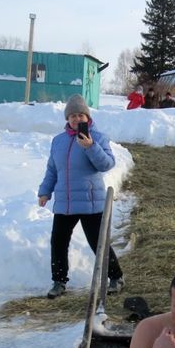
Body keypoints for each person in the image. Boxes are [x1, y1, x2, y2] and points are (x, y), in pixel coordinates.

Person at [38, 94, 125, 299]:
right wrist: (45, 191)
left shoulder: (98, 137)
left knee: (98, 243)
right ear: (67, 119)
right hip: (64, 203)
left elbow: (106, 165)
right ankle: (59, 282)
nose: (77, 119)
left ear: (87, 117)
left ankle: (116, 277)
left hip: (90, 202)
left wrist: (90, 147)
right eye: (72, 116)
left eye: (81, 115)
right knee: (58, 242)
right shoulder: (58, 141)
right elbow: (52, 169)